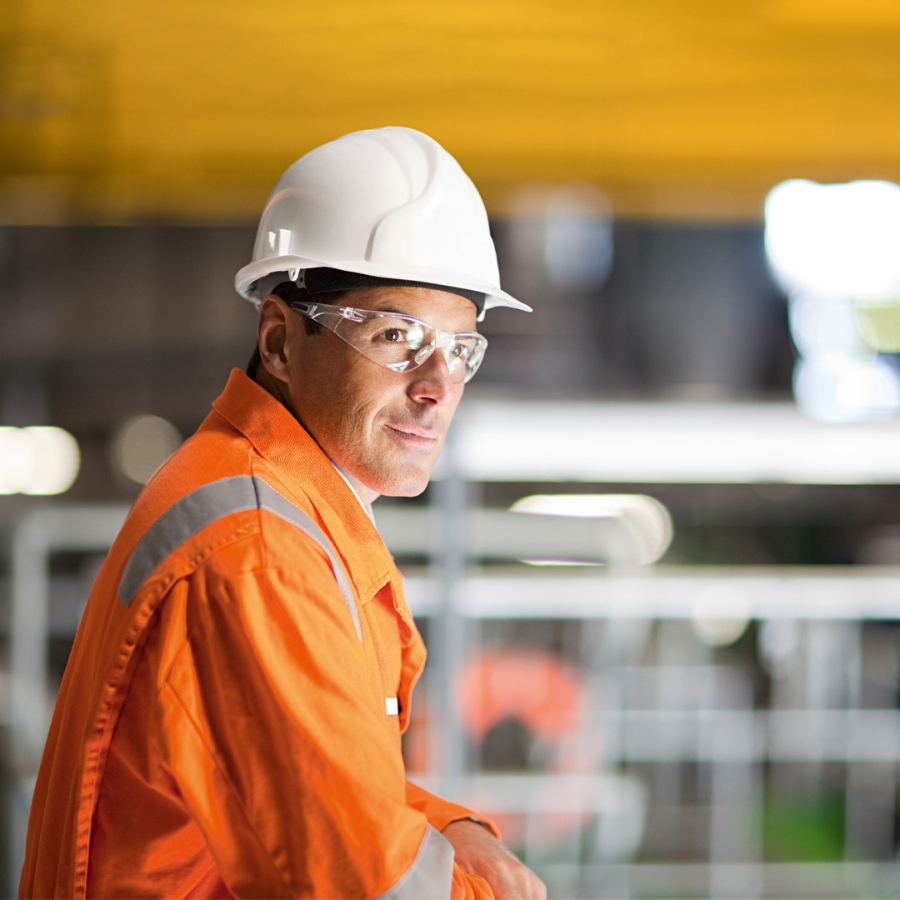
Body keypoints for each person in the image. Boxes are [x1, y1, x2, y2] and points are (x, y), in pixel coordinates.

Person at [20, 127, 546, 899]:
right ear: (279, 338)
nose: (436, 386)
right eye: (397, 336)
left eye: (461, 350)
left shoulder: (271, 507)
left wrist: (452, 826)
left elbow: (317, 788)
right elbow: (360, 884)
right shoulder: (258, 551)